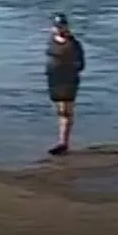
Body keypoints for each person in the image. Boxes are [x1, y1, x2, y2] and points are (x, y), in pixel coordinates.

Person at [45, 12, 85, 156]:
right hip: (54, 79)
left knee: (65, 110)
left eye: (62, 26)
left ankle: (63, 142)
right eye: (57, 26)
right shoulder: (51, 40)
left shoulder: (73, 43)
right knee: (59, 110)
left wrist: (70, 70)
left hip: (68, 79)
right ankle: (63, 140)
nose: (60, 29)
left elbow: (80, 63)